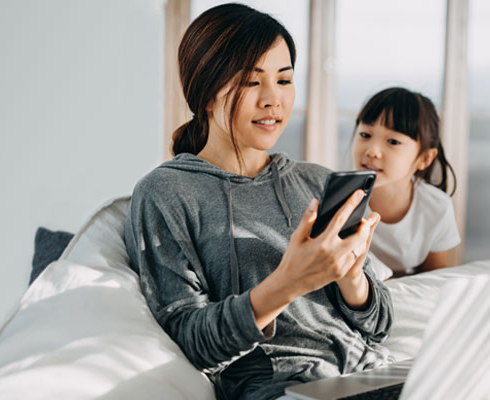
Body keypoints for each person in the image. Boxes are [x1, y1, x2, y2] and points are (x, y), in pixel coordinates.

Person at [123, 4, 392, 399]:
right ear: (205, 93)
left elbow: (380, 323)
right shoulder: (166, 194)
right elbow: (189, 340)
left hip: (374, 374)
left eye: (284, 80)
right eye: (251, 82)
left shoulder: (316, 182)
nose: (273, 99)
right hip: (281, 388)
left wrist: (351, 277)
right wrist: (286, 284)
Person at [349, 87, 460, 277]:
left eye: (393, 141)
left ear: (424, 158)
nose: (372, 151)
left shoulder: (437, 207)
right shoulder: (338, 197)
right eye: (365, 135)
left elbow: (435, 281)